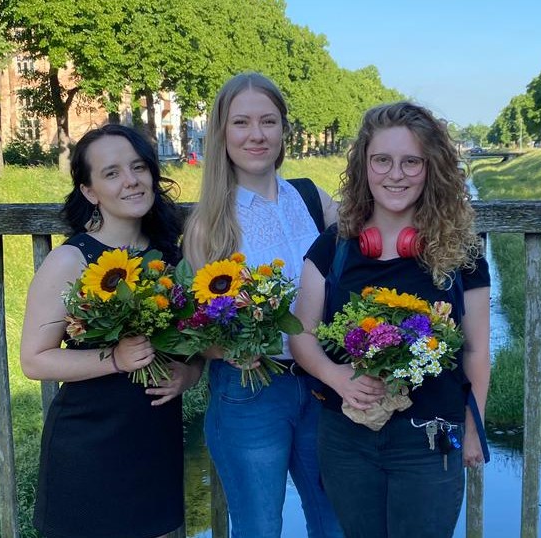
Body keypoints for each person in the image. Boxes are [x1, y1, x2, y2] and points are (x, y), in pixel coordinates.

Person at [288, 101, 491, 537]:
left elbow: (476, 349)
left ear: (431, 168)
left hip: (430, 439)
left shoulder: (462, 253)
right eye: (382, 160)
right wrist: (337, 376)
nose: (394, 174)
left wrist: (474, 430)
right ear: (364, 166)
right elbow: (301, 334)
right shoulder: (333, 247)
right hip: (346, 440)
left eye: (410, 162)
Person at [20, 124, 201, 538]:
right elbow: (34, 359)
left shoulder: (172, 256)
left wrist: (189, 375)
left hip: (155, 441)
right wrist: (114, 358)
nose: (131, 181)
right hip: (90, 445)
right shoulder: (72, 260)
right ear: (89, 191)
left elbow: (192, 345)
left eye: (138, 167)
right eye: (112, 173)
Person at [183, 72, 343, 538]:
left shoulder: (312, 198)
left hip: (322, 386)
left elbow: (366, 247)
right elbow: (195, 325)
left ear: (284, 130)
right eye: (242, 123)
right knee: (258, 527)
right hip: (250, 390)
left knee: (336, 522)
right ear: (222, 133)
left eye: (269, 121)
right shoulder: (208, 225)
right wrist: (225, 348)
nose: (257, 135)